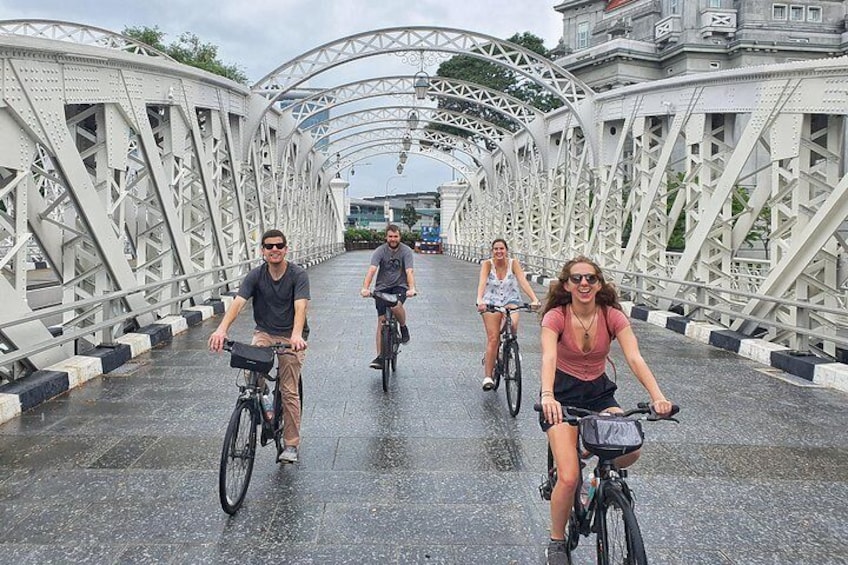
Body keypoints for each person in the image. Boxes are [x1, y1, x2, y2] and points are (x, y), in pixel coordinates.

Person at [538, 256, 673, 565]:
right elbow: (548, 357)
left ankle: (595, 477)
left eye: (591, 278)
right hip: (561, 395)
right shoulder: (556, 317)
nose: (584, 283)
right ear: (566, 285)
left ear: (599, 284)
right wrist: (548, 396)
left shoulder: (612, 316)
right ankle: (557, 542)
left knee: (630, 449)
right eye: (577, 279)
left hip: (599, 393)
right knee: (568, 476)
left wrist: (658, 397)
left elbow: (635, 358)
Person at [208, 229, 309, 464]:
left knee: (289, 389)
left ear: (286, 249)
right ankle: (263, 403)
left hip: (291, 336)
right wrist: (222, 329)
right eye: (269, 246)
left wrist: (296, 335)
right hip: (264, 332)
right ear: (262, 251)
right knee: (251, 374)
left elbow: (301, 307)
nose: (274, 250)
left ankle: (291, 444)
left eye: (279, 246)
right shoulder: (255, 275)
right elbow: (238, 303)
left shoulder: (297, 275)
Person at [475, 238, 540, 390]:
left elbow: (523, 281)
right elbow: (482, 282)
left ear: (506, 250)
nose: (499, 251)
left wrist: (534, 299)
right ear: (492, 251)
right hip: (491, 301)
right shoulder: (487, 264)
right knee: (493, 338)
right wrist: (479, 299)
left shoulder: (513, 263)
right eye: (496, 249)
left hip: (511, 299)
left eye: (501, 248)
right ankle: (488, 376)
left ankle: (511, 347)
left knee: (513, 323)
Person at [360, 224, 417, 369]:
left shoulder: (406, 251)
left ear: (400, 237)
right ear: (386, 237)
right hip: (382, 288)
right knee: (381, 322)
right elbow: (372, 270)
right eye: (390, 236)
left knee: (396, 305)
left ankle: (403, 327)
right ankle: (380, 357)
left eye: (395, 236)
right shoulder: (380, 251)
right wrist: (365, 288)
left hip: (400, 286)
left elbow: (409, 271)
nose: (393, 239)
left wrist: (412, 288)